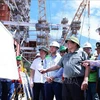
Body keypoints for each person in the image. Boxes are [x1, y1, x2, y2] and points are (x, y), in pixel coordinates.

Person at [40, 36, 89, 100]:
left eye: (69, 43)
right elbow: (57, 66)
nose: (67, 44)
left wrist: (85, 79)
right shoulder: (65, 56)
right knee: (65, 98)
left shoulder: (82, 54)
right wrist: (46, 70)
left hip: (77, 81)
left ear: (75, 44)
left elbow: (88, 66)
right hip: (66, 82)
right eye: (67, 43)